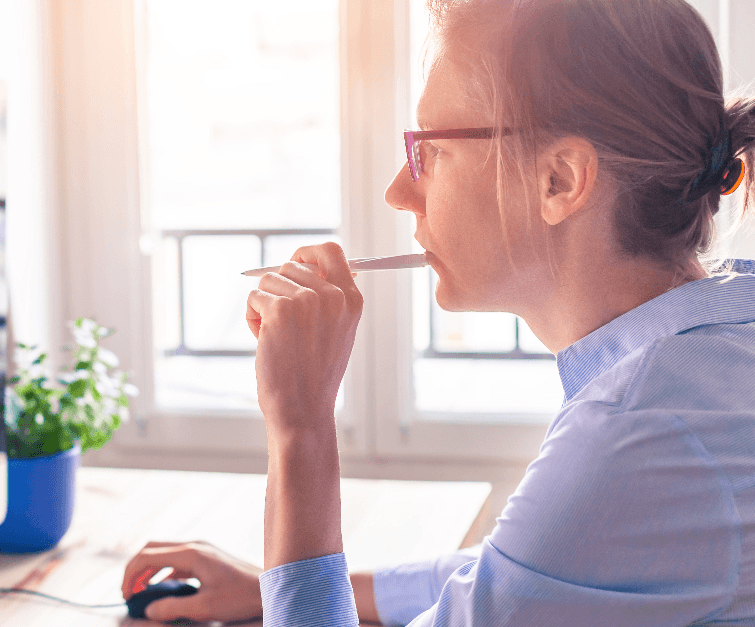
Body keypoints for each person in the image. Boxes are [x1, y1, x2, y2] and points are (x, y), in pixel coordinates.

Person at [121, 0, 755, 624]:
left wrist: (301, 426)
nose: (399, 191)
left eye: (430, 150)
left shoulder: (634, 433)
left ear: (560, 179)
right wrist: (271, 589)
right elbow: (518, 570)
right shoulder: (717, 337)